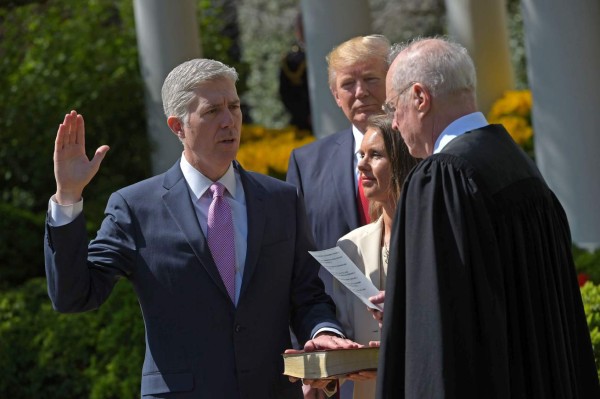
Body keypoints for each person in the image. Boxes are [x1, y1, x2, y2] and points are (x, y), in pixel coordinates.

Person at [43, 58, 359, 399]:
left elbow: (307, 294)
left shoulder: (281, 199)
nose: (229, 121)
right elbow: (74, 295)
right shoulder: (136, 207)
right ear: (178, 126)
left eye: (234, 107)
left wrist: (324, 330)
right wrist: (68, 196)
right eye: (212, 111)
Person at [377, 37, 600, 398]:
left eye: (393, 107)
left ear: (419, 97)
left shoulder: (440, 179)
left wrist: (414, 309)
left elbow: (440, 335)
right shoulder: (521, 168)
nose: (394, 125)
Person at [286, 34, 390, 399]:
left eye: (371, 79)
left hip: (411, 352)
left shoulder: (422, 153)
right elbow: (296, 269)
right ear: (335, 95)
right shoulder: (305, 163)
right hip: (339, 363)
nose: (360, 91)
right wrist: (312, 360)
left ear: (392, 81)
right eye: (348, 83)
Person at [330, 115, 418, 398]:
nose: (361, 164)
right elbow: (342, 332)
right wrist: (322, 362)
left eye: (376, 155)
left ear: (403, 161)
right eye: (361, 154)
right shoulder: (350, 246)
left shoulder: (435, 238)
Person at [279, 12, 311, 132]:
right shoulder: (292, 60)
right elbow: (287, 93)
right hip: (303, 124)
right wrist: (305, 116)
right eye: (300, 27)